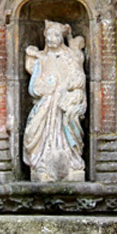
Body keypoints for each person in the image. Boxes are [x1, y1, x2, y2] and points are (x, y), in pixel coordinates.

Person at [23, 20, 87, 182]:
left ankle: (71, 162)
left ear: (62, 38)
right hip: (46, 104)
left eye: (56, 35)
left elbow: (79, 80)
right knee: (34, 131)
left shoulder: (70, 57)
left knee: (67, 126)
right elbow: (35, 86)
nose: (51, 38)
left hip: (64, 104)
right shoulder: (41, 58)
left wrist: (71, 94)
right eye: (49, 35)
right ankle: (41, 161)